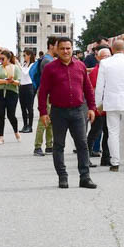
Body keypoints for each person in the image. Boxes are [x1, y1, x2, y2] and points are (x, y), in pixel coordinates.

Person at [37, 37, 97, 189]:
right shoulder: (50, 68)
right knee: (58, 145)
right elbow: (42, 92)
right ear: (57, 49)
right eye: (62, 48)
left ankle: (85, 177)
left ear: (72, 49)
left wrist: (91, 107)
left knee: (82, 144)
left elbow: (88, 89)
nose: (65, 51)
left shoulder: (81, 66)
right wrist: (43, 112)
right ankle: (62, 177)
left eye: (68, 48)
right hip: (58, 112)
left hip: (78, 111)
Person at [94, 40, 124, 172]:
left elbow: (100, 86)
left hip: (111, 102)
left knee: (113, 133)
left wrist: (98, 103)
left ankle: (114, 163)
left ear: (112, 49)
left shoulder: (104, 63)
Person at [32, 37, 57, 156]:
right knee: (44, 119)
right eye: (58, 45)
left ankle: (49, 145)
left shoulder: (48, 59)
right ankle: (38, 146)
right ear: (51, 46)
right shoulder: (48, 61)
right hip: (46, 93)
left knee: (50, 119)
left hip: (47, 92)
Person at [86, 47, 110, 165]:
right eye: (104, 56)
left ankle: (106, 158)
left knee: (108, 133)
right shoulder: (96, 71)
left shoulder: (107, 70)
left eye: (108, 56)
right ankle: (86, 157)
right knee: (95, 132)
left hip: (109, 106)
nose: (106, 58)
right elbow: (94, 90)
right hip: (99, 107)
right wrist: (96, 107)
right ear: (98, 58)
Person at [0, 51, 21, 144]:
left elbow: (19, 81)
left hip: (12, 92)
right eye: (0, 58)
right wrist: (5, 81)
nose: (1, 60)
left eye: (3, 58)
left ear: (8, 59)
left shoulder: (15, 68)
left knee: (11, 114)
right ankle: (1, 137)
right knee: (0, 114)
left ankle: (16, 131)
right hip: (0, 92)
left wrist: (12, 81)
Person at [18, 50, 36, 133]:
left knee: (29, 108)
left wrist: (18, 64)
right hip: (22, 86)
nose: (23, 57)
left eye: (24, 55)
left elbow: (26, 73)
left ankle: (30, 126)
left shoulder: (32, 64)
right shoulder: (24, 64)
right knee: (23, 108)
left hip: (29, 86)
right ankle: (25, 125)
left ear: (29, 55)